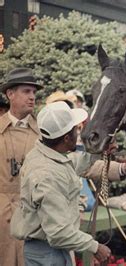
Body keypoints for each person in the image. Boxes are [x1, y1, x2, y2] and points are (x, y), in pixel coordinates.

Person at [10, 101, 111, 265]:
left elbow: (70, 164)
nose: (78, 133)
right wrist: (95, 247)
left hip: (48, 251)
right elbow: (58, 233)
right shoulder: (47, 176)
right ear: (66, 138)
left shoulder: (44, 154)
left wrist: (96, 153)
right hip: (48, 254)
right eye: (76, 130)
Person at [0, 67, 43, 266]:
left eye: (34, 92)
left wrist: (120, 170)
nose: (32, 97)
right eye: (26, 91)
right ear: (10, 94)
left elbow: (72, 164)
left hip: (35, 219)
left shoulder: (46, 133)